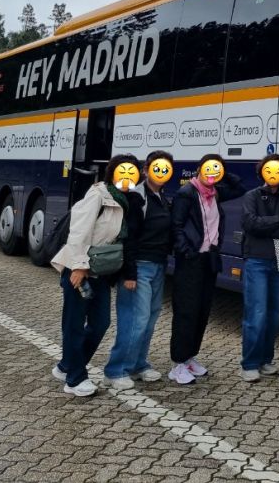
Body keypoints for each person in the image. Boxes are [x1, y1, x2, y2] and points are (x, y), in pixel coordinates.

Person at [51, 154, 141, 397]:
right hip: (80, 269)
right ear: (112, 173)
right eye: (122, 171)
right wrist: (79, 266)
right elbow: (79, 231)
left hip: (100, 272)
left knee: (101, 323)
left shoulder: (128, 200)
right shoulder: (98, 195)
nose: (127, 176)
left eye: (132, 173)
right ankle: (75, 379)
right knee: (74, 324)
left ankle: (67, 365)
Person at [169, 153, 245, 384]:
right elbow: (176, 225)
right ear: (199, 169)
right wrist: (186, 250)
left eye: (216, 170)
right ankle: (178, 363)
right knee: (186, 311)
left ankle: (190, 357)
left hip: (209, 259)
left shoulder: (215, 192)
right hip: (191, 260)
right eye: (208, 169)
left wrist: (224, 171)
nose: (212, 173)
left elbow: (239, 188)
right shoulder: (187, 193)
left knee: (202, 310)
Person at [103, 150, 175, 388]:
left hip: (158, 265)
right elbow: (129, 237)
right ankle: (116, 370)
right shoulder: (137, 197)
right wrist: (129, 273)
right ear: (146, 170)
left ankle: (138, 364)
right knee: (135, 319)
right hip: (139, 267)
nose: (161, 172)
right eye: (156, 167)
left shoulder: (162, 197)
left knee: (150, 318)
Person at [239, 153, 279, 381]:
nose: (273, 174)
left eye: (278, 170)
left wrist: (270, 225)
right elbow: (250, 224)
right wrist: (278, 220)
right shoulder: (251, 196)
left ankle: (266, 360)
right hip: (256, 260)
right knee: (256, 313)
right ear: (262, 172)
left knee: (274, 314)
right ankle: (249, 364)